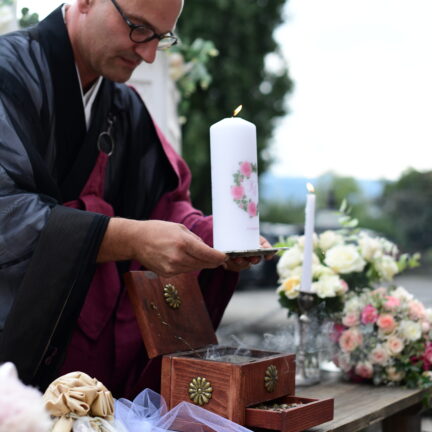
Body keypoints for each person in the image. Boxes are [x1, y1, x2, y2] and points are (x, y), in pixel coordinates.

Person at [0, 0, 271, 398]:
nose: (147, 54)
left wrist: (213, 236)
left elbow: (162, 203)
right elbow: (7, 213)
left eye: (160, 38)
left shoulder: (122, 104)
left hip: (89, 373)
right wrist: (130, 238)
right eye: (137, 27)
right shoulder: (8, 74)